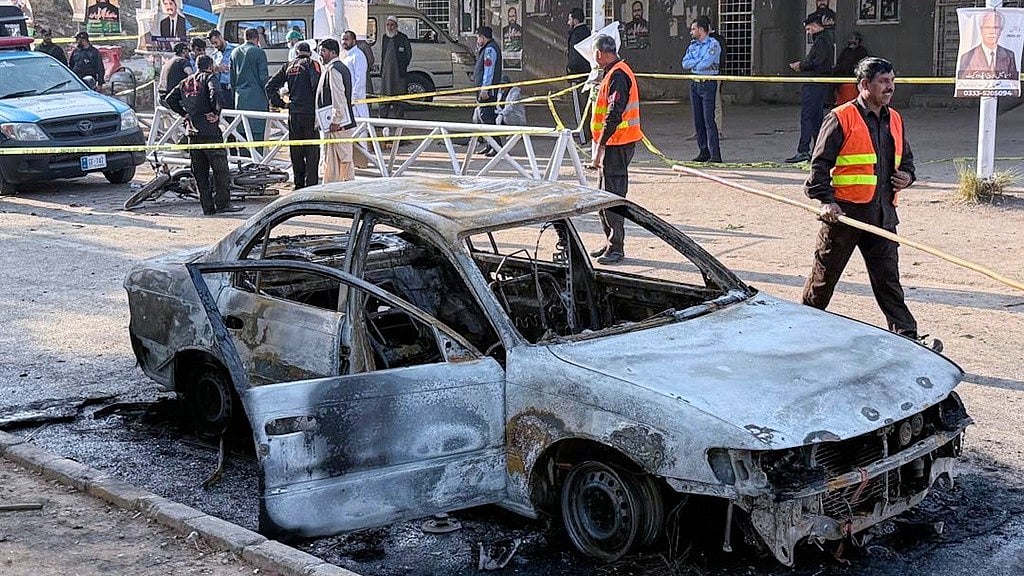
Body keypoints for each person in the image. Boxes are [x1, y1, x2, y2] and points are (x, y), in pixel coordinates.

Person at [801, 57, 934, 349]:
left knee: (888, 280)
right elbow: (819, 166)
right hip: (845, 216)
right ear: (864, 85)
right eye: (883, 82)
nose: (890, 87)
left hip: (883, 214)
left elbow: (907, 160)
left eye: (892, 81)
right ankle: (802, 327)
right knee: (824, 279)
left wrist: (907, 177)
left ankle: (907, 338)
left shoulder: (895, 118)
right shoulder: (841, 117)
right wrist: (826, 201)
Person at [162, 55, 243, 215]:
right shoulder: (209, 77)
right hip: (210, 130)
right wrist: (215, 112)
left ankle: (207, 206)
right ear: (210, 66)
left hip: (192, 130)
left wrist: (184, 113)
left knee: (200, 171)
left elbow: (170, 98)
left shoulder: (186, 81)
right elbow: (215, 93)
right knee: (221, 169)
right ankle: (223, 203)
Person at [588, 34, 642, 265]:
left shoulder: (618, 75)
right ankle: (611, 241)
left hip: (617, 143)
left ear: (599, 54)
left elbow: (613, 113)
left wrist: (600, 147)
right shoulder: (615, 72)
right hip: (615, 142)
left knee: (612, 196)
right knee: (604, 195)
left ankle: (616, 247)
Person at [267, 42, 321, 189]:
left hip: (294, 112)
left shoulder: (288, 66)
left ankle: (298, 184)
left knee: (296, 150)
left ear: (297, 52)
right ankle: (311, 185)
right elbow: (316, 85)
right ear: (309, 52)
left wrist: (281, 104)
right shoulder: (312, 64)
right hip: (310, 113)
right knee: (312, 151)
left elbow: (270, 86)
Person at [786, 13, 835, 163]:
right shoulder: (825, 39)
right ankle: (818, 149)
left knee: (808, 117)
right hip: (819, 83)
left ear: (815, 26)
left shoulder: (822, 40)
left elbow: (818, 62)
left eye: (809, 29)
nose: (808, 32)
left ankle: (804, 150)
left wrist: (801, 65)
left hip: (815, 83)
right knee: (816, 118)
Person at [681, 16, 722, 163]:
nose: (691, 31)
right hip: (695, 83)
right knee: (698, 120)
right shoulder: (693, 45)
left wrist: (695, 63)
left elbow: (706, 63)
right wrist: (697, 63)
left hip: (708, 83)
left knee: (709, 121)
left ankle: (715, 155)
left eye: (693, 29)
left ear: (701, 29)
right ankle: (703, 151)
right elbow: (684, 63)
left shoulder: (714, 44)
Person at [316, 38, 357, 183]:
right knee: (338, 159)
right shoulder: (336, 68)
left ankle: (336, 189)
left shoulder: (334, 70)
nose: (321, 54)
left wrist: (335, 120)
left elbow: (339, 97)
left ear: (333, 53)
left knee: (338, 160)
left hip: (338, 125)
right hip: (338, 123)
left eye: (323, 51)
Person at [231, 27, 271, 150]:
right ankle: (259, 164)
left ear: (244, 37)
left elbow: (232, 80)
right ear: (257, 39)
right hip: (257, 98)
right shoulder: (259, 52)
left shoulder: (235, 52)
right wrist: (271, 96)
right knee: (257, 135)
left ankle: (244, 164)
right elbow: (263, 78)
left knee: (242, 135)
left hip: (240, 98)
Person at [958, 10, 1019, 80]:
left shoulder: (1009, 55)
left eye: (996, 28)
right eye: (987, 27)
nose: (992, 32)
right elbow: (963, 84)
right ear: (981, 30)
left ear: (1000, 31)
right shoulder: (968, 56)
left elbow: (1013, 84)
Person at [474, 26, 503, 157]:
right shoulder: (486, 49)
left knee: (487, 117)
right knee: (484, 117)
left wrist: (485, 89)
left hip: (487, 91)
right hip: (484, 89)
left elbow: (488, 71)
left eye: (478, 37)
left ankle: (497, 146)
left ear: (483, 37)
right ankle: (490, 145)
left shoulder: (490, 50)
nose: (477, 40)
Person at [566, 7, 591, 143]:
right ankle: (587, 133)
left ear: (575, 20)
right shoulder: (586, 31)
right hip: (586, 74)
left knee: (580, 108)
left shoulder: (576, 34)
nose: (568, 22)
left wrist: (571, 70)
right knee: (587, 106)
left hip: (577, 76)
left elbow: (575, 57)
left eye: (570, 19)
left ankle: (583, 136)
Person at [379, 15, 411, 121]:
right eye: (388, 25)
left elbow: (408, 55)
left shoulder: (402, 38)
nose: (390, 27)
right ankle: (383, 123)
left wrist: (402, 67)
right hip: (386, 75)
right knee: (384, 99)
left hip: (399, 74)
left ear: (396, 26)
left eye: (392, 25)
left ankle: (399, 124)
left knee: (399, 100)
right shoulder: (385, 38)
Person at [834, 31, 868, 105]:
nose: (851, 41)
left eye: (854, 39)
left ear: (858, 40)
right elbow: (839, 62)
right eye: (850, 39)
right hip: (843, 77)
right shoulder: (845, 51)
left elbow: (863, 65)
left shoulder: (862, 51)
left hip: (854, 78)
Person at [341, 30, 369, 118]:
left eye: (346, 39)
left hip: (356, 101)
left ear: (354, 41)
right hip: (346, 99)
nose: (344, 42)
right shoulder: (345, 56)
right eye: (342, 39)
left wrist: (354, 98)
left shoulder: (358, 56)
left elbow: (360, 79)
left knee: (360, 127)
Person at [206, 29, 234, 105]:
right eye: (212, 44)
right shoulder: (214, 54)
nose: (215, 46)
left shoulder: (235, 50)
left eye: (216, 42)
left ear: (220, 37)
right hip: (220, 88)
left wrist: (228, 68)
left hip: (232, 87)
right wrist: (216, 68)